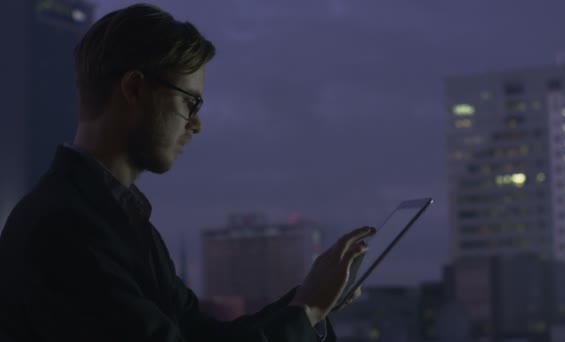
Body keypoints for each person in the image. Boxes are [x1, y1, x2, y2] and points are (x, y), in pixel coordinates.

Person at [0, 3, 376, 341]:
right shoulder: (63, 229)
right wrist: (307, 309)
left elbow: (201, 334)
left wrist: (309, 300)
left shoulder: (114, 220)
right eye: (190, 102)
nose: (196, 125)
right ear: (134, 88)